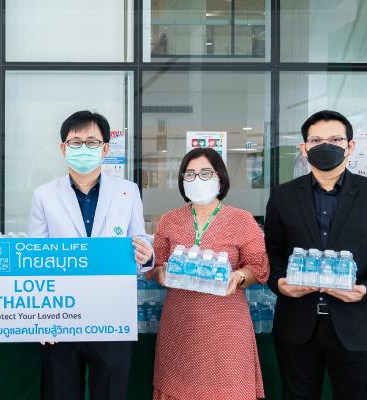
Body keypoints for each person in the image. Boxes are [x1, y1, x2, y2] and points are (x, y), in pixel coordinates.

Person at [265, 110, 367, 400]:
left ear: (350, 146)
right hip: (297, 326)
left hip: (356, 325)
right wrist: (278, 282)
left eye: (335, 139)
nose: (325, 146)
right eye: (316, 140)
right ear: (304, 148)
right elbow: (272, 254)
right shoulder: (283, 196)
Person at [28, 110, 154, 400]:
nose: (83, 148)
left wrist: (147, 255)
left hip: (111, 314)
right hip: (60, 315)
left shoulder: (127, 191)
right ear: (63, 148)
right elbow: (36, 258)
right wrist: (41, 316)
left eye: (92, 142)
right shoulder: (44, 195)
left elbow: (140, 241)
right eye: (75, 142)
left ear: (105, 149)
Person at [148, 147, 268, 399]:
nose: (196, 179)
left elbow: (258, 268)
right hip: (180, 324)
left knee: (227, 390)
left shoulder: (242, 220)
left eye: (205, 173)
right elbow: (155, 265)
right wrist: (161, 273)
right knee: (178, 389)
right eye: (189, 174)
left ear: (220, 178)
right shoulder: (169, 220)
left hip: (227, 326)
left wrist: (239, 276)